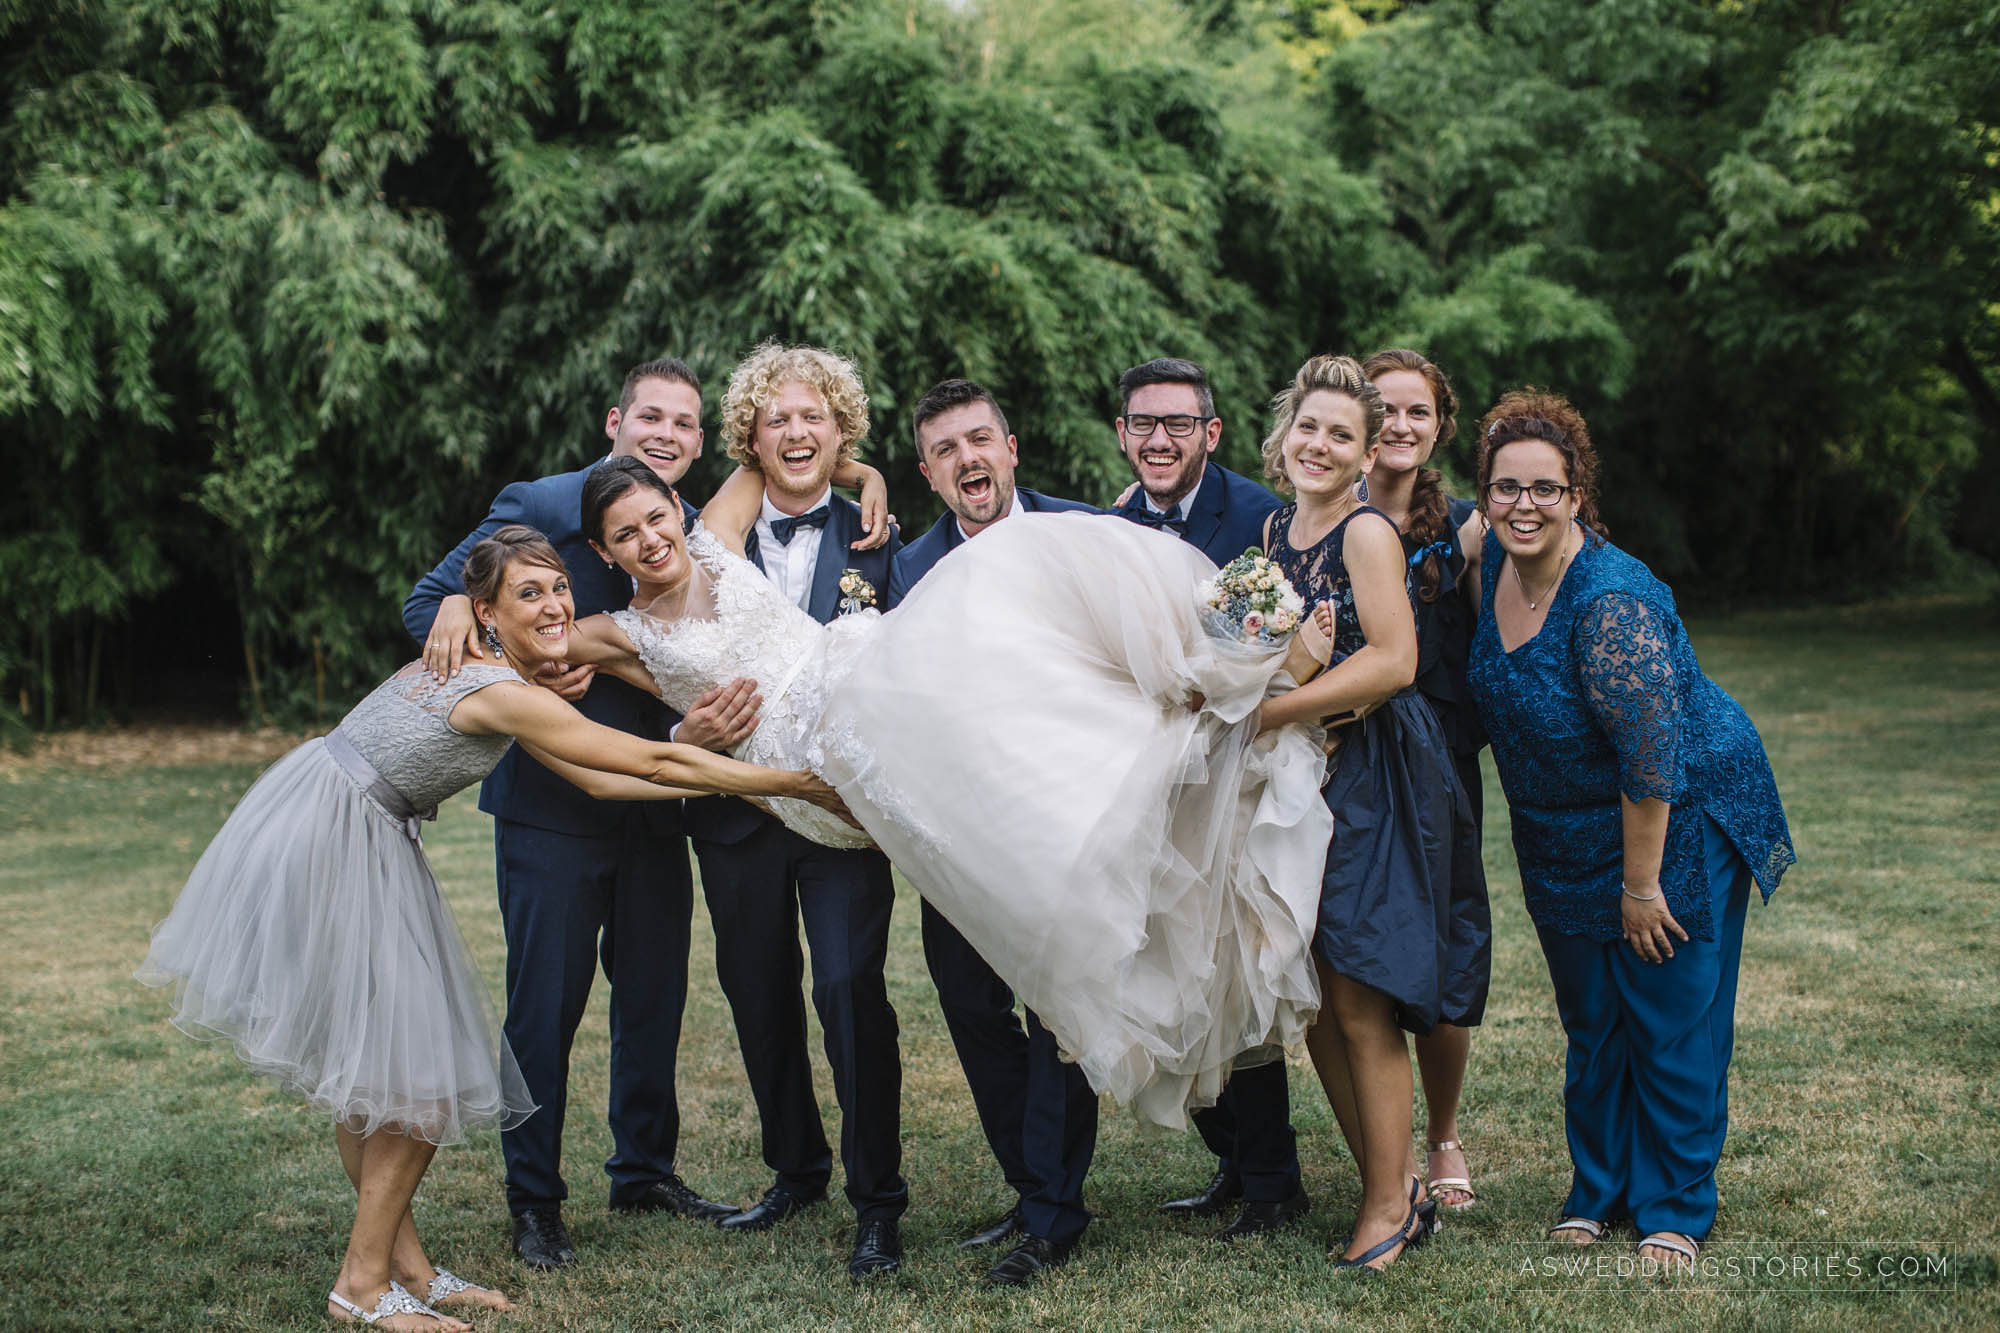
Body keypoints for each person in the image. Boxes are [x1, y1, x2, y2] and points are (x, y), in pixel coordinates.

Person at [139, 527, 852, 1332]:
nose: (553, 606)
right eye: (528, 594)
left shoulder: (495, 674)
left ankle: (402, 1268)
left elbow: (603, 779)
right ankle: (361, 1285)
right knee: (421, 1083)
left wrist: (709, 766)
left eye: (557, 588)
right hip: (342, 839)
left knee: (376, 1072)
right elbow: (649, 764)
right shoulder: (502, 689)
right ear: (485, 613)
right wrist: (793, 780)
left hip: (337, 820)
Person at [561, 409, 1332, 1140]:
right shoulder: (616, 634)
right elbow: (525, 644)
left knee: (1007, 628)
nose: (649, 539)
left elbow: (776, 457)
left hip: (861, 685)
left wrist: (864, 472)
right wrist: (464, 616)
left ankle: (1216, 699)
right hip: (805, 778)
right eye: (624, 535)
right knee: (990, 850)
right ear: (603, 553)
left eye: (656, 517)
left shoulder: (714, 538)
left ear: (676, 505)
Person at [402, 358, 889, 1268]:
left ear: (702, 442)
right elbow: (434, 601)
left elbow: (798, 463)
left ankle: (643, 1167)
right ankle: (535, 1201)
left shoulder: (693, 521)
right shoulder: (542, 502)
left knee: (654, 999)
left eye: (685, 424)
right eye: (651, 417)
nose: (667, 434)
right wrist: (464, 623)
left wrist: (866, 472)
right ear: (615, 420)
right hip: (557, 805)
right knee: (544, 1008)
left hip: (668, 798)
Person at [1463, 390, 1794, 1272]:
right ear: (1485, 495)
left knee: (1668, 1014)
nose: (1523, 505)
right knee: (1592, 1019)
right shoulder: (1486, 553)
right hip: (1560, 835)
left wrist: (1641, 888)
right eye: (1505, 488)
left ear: (1578, 495)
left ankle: (1675, 1206)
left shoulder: (1609, 606)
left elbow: (1653, 762)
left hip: (1674, 815)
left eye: (1545, 488)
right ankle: (1597, 1189)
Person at [648, 342, 909, 1280]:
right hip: (734, 814)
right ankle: (795, 1167)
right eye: (776, 418)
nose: (795, 432)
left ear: (841, 432)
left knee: (846, 989)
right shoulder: (701, 539)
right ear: (749, 437)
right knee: (757, 991)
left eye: (814, 417)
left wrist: (865, 477)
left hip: (839, 816)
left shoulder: (884, 541)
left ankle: (878, 1200)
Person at [1249, 353, 1480, 1272]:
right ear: (1285, 436)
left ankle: (1387, 1204)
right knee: (1313, 998)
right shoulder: (1273, 530)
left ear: (1363, 454)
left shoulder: (1365, 532)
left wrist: (1274, 710)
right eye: (1310, 427)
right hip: (1297, 778)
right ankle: (1389, 1183)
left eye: (1342, 435)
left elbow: (1393, 660)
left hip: (1371, 775)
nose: (1321, 443)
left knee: (1357, 995)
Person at [889, 378, 1101, 1287]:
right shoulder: (904, 569)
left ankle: (1053, 1213)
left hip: (1068, 816)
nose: (968, 458)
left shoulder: (1085, 534)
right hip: (961, 831)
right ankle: (1030, 1183)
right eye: (946, 449)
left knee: (1056, 1013)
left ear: (1011, 447)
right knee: (972, 1004)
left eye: (980, 439)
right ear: (930, 473)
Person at [1108, 358, 1307, 1244]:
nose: (1159, 439)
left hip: (1247, 774)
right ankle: (1229, 1158)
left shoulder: (1262, 517)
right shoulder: (1108, 524)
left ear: (1210, 433)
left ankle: (1273, 1181)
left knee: (1238, 977)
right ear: (1122, 433)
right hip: (1160, 783)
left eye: (1177, 424)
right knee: (1175, 976)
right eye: (1143, 424)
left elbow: (1292, 640)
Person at [1360, 347, 1493, 1213]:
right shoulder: (1321, 516)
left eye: (1417, 411)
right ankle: (1383, 1152)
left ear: (1440, 426)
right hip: (1345, 756)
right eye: (1383, 410)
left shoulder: (1473, 528)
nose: (1399, 426)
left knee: (1447, 943)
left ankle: (1442, 1134)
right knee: (1360, 951)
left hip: (1441, 762)